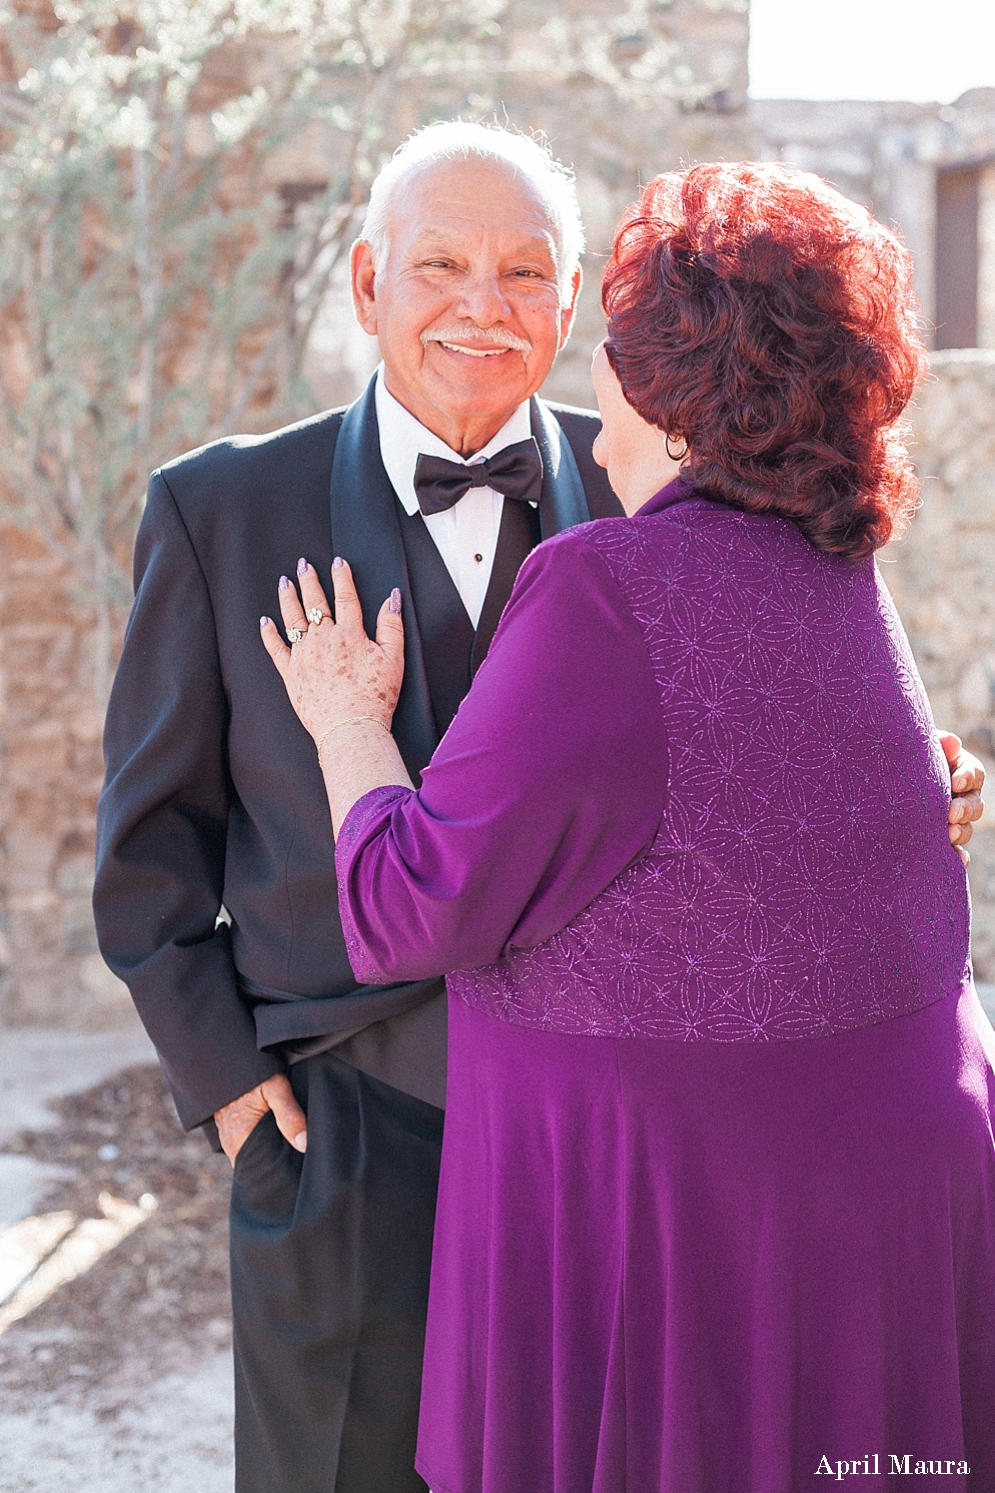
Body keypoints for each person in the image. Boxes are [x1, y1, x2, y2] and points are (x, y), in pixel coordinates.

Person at [262, 162, 995, 1493]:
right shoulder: (839, 568)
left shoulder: (608, 582)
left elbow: (408, 904)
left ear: (662, 380)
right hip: (897, 1188)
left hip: (691, 1219)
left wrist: (348, 727)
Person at [92, 123, 622, 1493]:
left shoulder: (647, 494)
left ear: (570, 305)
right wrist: (228, 1084)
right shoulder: (219, 510)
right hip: (340, 1127)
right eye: (440, 262)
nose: (481, 304)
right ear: (366, 282)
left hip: (605, 1134)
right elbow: (149, 856)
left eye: (523, 272)